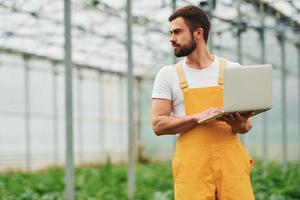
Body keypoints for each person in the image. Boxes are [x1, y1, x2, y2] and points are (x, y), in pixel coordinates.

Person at [151, 5, 255, 200]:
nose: (172, 38)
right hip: (193, 167)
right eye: (171, 33)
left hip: (230, 163)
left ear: (198, 33)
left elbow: (246, 126)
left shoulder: (233, 69)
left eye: (177, 32)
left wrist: (237, 123)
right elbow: (158, 124)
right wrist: (198, 117)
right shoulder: (168, 75)